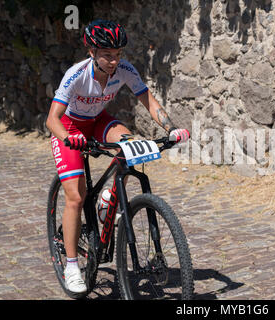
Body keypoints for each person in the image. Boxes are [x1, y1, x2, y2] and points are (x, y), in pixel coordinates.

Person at [45, 19, 190, 294]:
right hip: (70, 128)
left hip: (99, 121)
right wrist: (67, 138)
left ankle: (109, 197)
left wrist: (171, 129)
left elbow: (148, 100)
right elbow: (52, 119)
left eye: (118, 55)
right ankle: (73, 265)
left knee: (130, 146)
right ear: (92, 52)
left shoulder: (124, 70)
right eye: (107, 56)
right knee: (75, 196)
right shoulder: (76, 75)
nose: (114, 62)